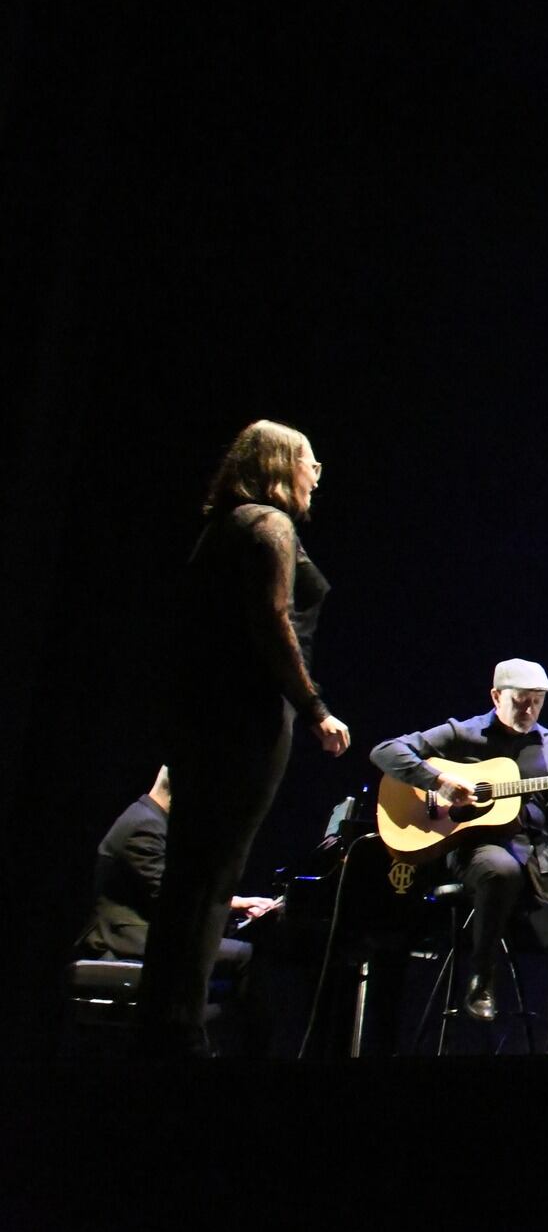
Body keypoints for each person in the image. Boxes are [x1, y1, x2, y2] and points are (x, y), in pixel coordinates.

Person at [137, 421, 351, 1057]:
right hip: (247, 717)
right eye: (311, 463)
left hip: (204, 713)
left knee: (192, 872)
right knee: (213, 873)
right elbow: (272, 619)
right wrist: (313, 708)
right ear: (283, 465)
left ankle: (162, 1024)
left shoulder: (223, 528)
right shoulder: (270, 526)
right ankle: (179, 1033)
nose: (317, 477)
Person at [370, 658, 548, 1052]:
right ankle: (481, 977)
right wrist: (438, 780)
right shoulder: (464, 733)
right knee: (501, 870)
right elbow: (385, 751)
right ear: (496, 696)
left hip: (537, 854)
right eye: (521, 700)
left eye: (537, 701)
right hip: (478, 849)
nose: (529, 710)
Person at [80, 767, 277, 1051]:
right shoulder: (144, 826)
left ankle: (196, 1036)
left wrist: (233, 904)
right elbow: (171, 897)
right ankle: (223, 1047)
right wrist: (235, 903)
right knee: (245, 956)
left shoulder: (149, 818)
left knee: (227, 965)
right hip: (125, 938)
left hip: (143, 928)